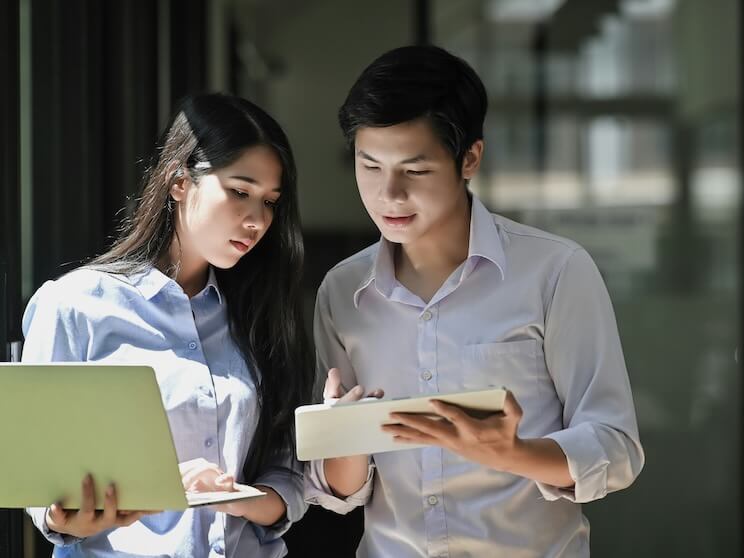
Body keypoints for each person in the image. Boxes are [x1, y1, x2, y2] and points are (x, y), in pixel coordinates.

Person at [305, 45, 645, 557]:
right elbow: (341, 492)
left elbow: (615, 449)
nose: (389, 194)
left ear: (469, 158)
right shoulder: (342, 291)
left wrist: (516, 454)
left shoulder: (554, 272)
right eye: (369, 166)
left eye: (414, 171)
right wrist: (342, 437)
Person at [22, 93, 314, 557]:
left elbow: (287, 475)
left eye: (270, 202)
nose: (257, 220)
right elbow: (39, 477)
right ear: (179, 182)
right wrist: (63, 513)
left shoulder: (260, 315)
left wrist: (236, 497)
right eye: (240, 191)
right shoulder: (75, 306)